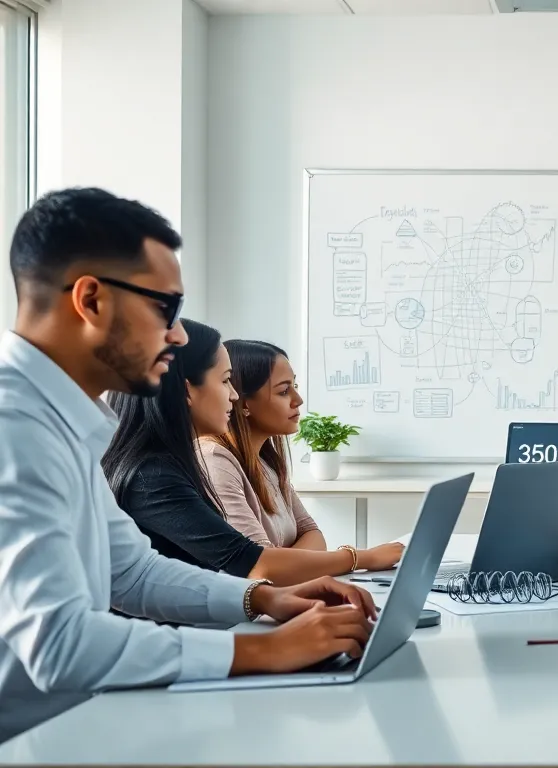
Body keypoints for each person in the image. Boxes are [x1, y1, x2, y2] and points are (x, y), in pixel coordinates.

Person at [0, 187, 378, 744]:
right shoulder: (16, 428)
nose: (177, 336)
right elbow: (60, 647)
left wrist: (262, 599)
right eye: (165, 308)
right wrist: (262, 650)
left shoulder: (60, 421)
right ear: (92, 300)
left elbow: (130, 573)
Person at [103, 320, 404, 583]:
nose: (232, 395)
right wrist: (359, 558)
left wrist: (279, 584)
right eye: (224, 381)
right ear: (186, 391)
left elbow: (265, 561)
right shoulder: (157, 476)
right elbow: (254, 565)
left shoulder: (175, 465)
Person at [198, 339, 327, 549]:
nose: (298, 399)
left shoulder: (267, 463)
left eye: (294, 386)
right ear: (244, 402)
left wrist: (291, 565)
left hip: (291, 583)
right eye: (284, 391)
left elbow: (313, 534)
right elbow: (260, 561)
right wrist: (358, 557)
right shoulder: (215, 460)